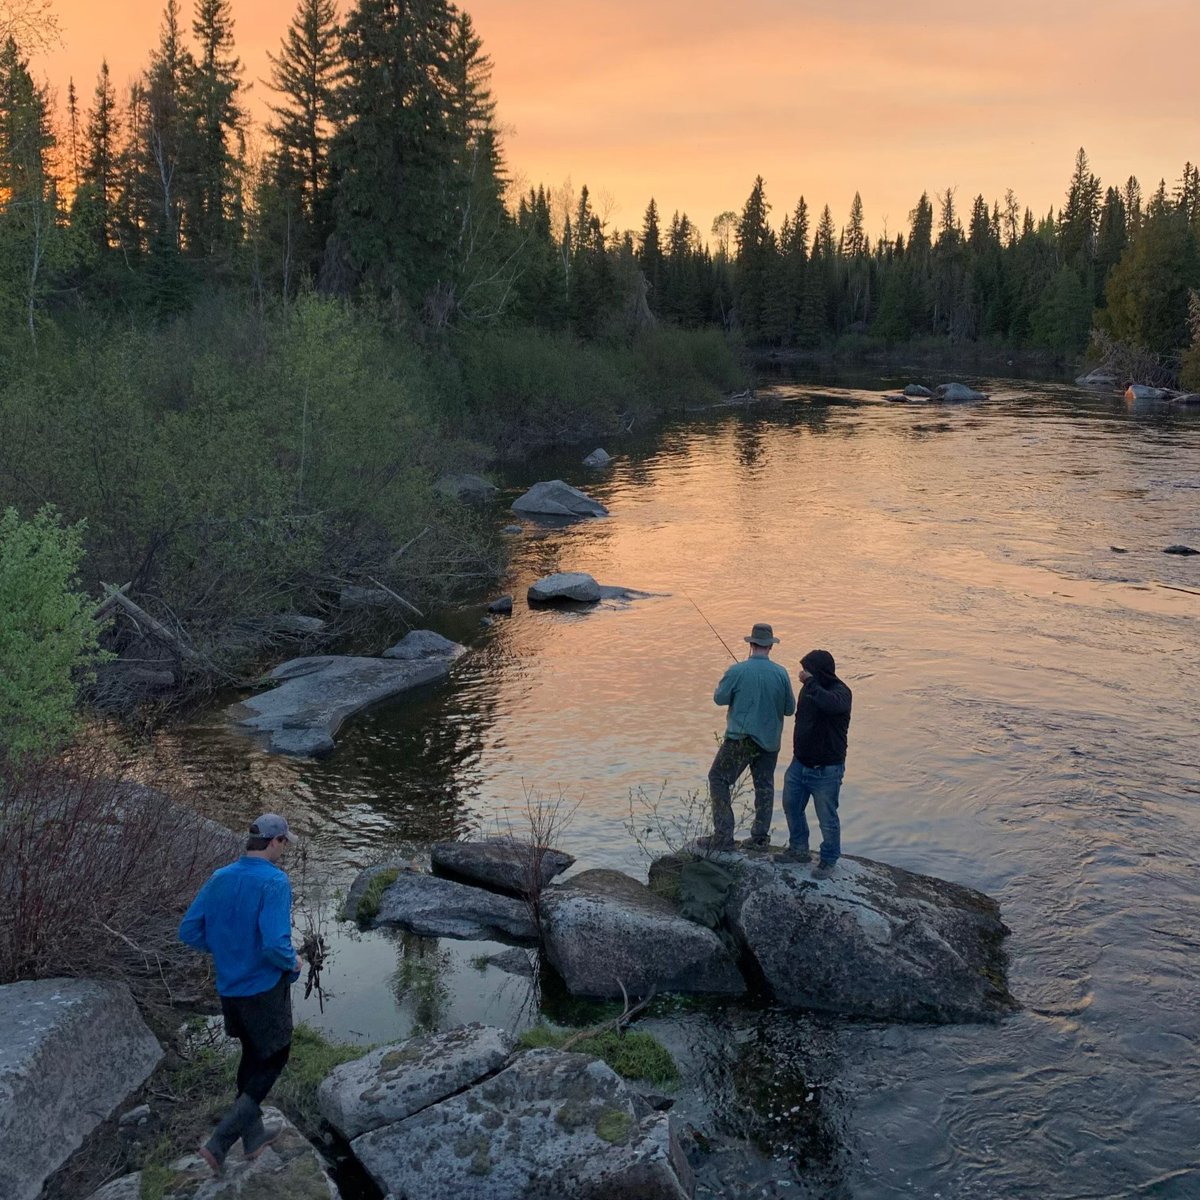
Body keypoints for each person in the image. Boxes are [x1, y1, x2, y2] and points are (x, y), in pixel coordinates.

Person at [179, 813, 302, 1174]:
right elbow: (276, 944)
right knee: (275, 1056)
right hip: (263, 990)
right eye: (285, 843)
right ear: (275, 841)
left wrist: (226, 949)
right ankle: (220, 1142)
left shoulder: (219, 877)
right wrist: (293, 963)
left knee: (251, 1054)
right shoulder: (275, 882)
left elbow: (188, 930)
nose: (285, 850)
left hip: (230, 989)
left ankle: (254, 1138)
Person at [704, 622, 796, 851]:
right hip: (770, 742)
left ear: (751, 644)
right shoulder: (781, 673)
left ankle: (723, 837)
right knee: (764, 786)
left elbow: (719, 699)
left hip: (740, 740)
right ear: (770, 647)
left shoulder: (737, 671)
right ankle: (759, 839)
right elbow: (789, 709)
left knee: (718, 779)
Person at [781, 650, 852, 877]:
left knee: (827, 818)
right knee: (791, 806)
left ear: (819, 671)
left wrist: (810, 682)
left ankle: (829, 859)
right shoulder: (808, 690)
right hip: (799, 764)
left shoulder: (841, 692)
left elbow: (830, 705)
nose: (803, 673)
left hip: (827, 770)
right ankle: (798, 849)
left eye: (808, 669)